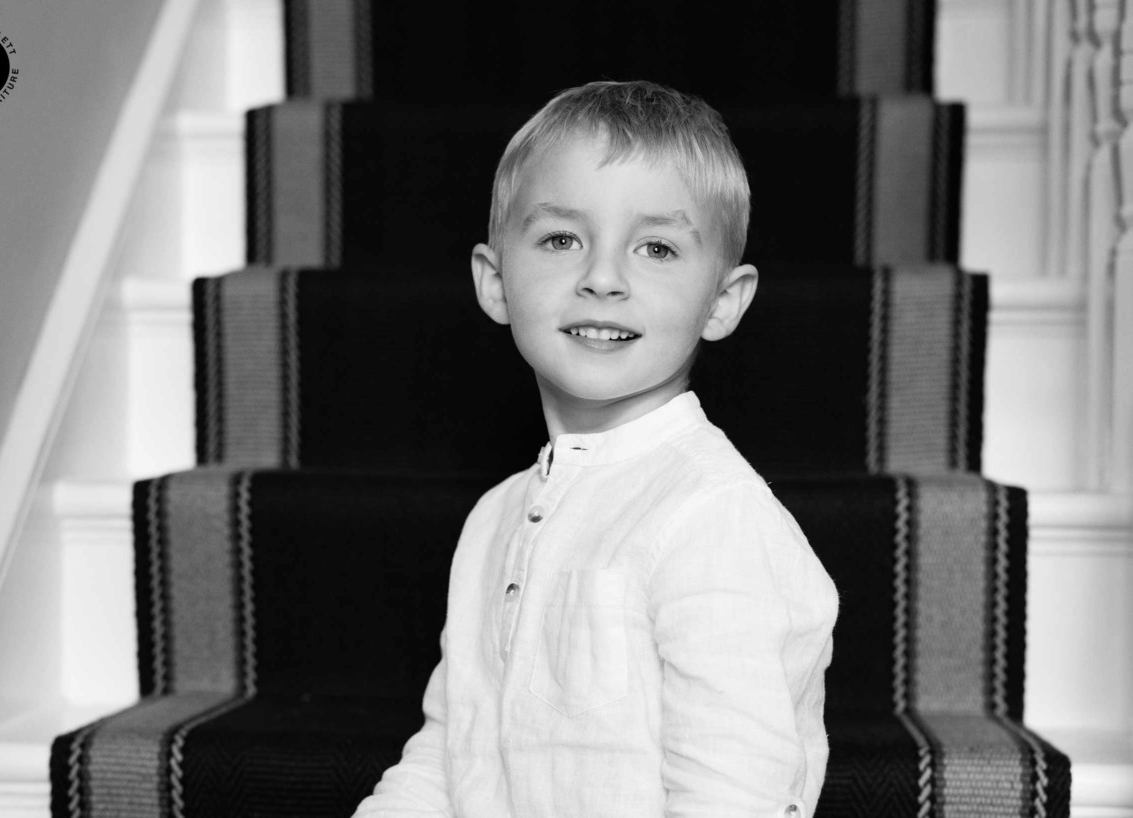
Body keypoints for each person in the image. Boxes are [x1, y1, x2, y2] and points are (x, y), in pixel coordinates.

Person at [352, 80, 839, 818]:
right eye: (560, 239)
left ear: (723, 301)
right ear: (494, 283)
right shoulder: (495, 518)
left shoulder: (715, 517)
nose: (602, 278)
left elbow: (732, 792)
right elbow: (451, 748)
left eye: (656, 247)